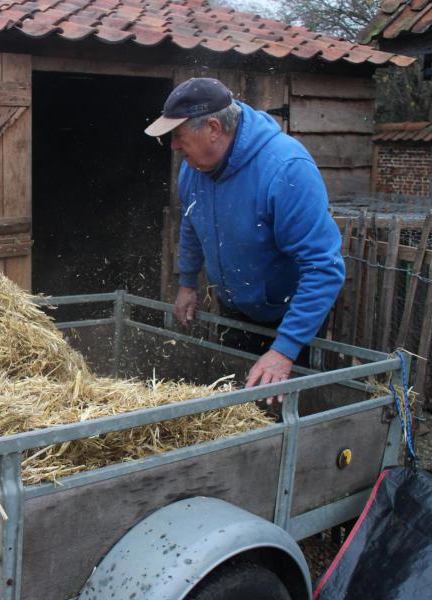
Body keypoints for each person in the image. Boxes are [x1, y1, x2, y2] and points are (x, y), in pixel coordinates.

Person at [145, 78, 345, 401]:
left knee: (281, 412)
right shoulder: (193, 171)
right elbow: (192, 222)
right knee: (236, 401)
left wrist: (285, 349)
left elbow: (325, 267)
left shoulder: (286, 170)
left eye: (179, 136)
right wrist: (187, 283)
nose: (174, 147)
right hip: (235, 306)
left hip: (291, 316)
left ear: (213, 128)